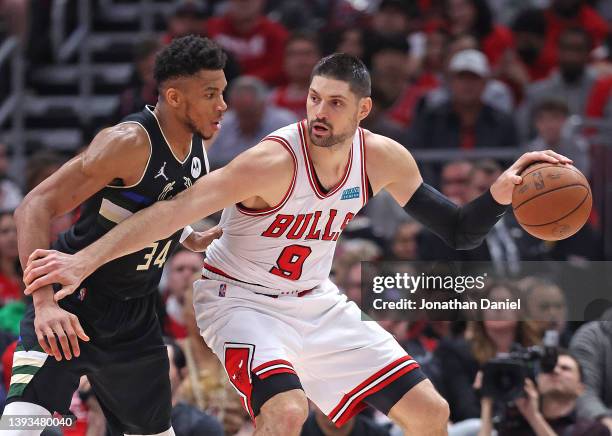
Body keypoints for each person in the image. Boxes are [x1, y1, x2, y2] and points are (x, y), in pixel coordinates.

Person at [23, 53, 571, 435]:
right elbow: (170, 211)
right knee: (286, 413)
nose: (318, 113)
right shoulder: (271, 161)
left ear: (363, 110)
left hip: (314, 300)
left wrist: (499, 195)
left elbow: (458, 230)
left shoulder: (383, 158)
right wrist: (83, 259)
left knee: (432, 412)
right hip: (238, 299)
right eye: (313, 99)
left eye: (335, 103)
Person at [1, 36, 225, 435]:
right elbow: (34, 205)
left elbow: (153, 206)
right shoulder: (127, 142)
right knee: (21, 426)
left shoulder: (199, 143)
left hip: (135, 313)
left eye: (222, 92)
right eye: (210, 94)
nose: (222, 105)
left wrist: (187, 235)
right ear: (174, 97)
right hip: (74, 301)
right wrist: (45, 303)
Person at [479, 350, 611, 436]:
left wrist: (534, 417)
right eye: (548, 369)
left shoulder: (593, 429)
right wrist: (487, 400)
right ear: (538, 380)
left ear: (580, 388)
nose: (556, 371)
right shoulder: (516, 424)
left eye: (565, 369)